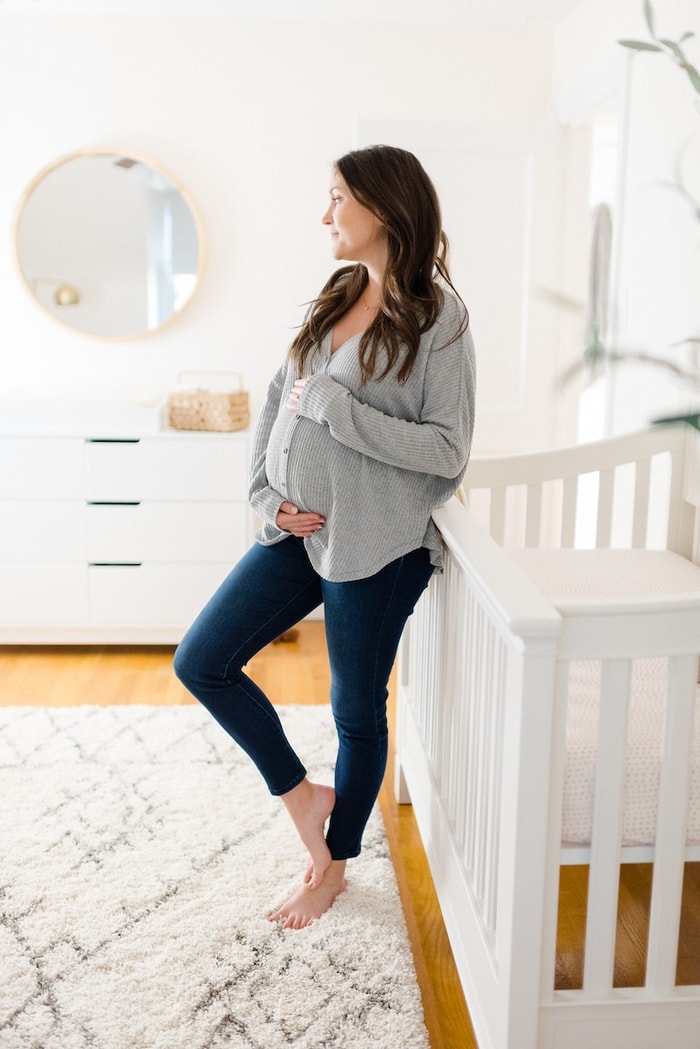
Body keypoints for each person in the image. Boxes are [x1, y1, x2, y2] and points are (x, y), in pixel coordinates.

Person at [173, 144, 476, 930]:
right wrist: (266, 499)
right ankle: (304, 795)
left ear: (384, 206)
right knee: (201, 659)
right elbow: (282, 395)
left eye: (338, 197)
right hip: (295, 532)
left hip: (376, 541)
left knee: (354, 709)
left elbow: (446, 449)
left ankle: (332, 863)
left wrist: (338, 413)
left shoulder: (439, 318)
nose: (326, 214)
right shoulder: (339, 290)